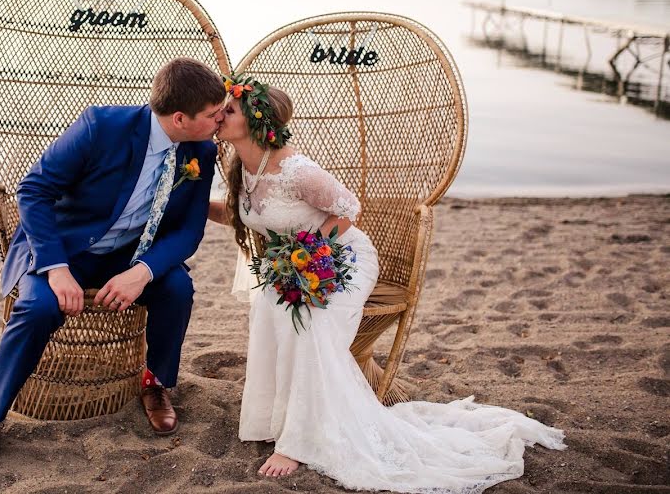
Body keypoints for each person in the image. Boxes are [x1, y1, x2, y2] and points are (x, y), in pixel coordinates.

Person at [208, 75, 566, 493]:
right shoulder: (242, 167)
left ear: (255, 122)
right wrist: (192, 205)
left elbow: (348, 209)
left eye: (228, 110)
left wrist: (306, 254)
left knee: (311, 322)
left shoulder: (295, 169)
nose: (218, 115)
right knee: (270, 303)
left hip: (342, 257)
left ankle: (299, 440)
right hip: (298, 263)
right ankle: (277, 417)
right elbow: (245, 216)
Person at [0, 57, 227, 470]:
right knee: (38, 307)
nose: (220, 119)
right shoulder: (101, 126)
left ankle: (155, 383)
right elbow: (33, 190)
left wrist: (143, 272)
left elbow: (188, 231)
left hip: (131, 257)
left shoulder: (203, 151)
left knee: (177, 289)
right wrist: (56, 267)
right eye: (212, 114)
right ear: (179, 118)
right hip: (65, 250)